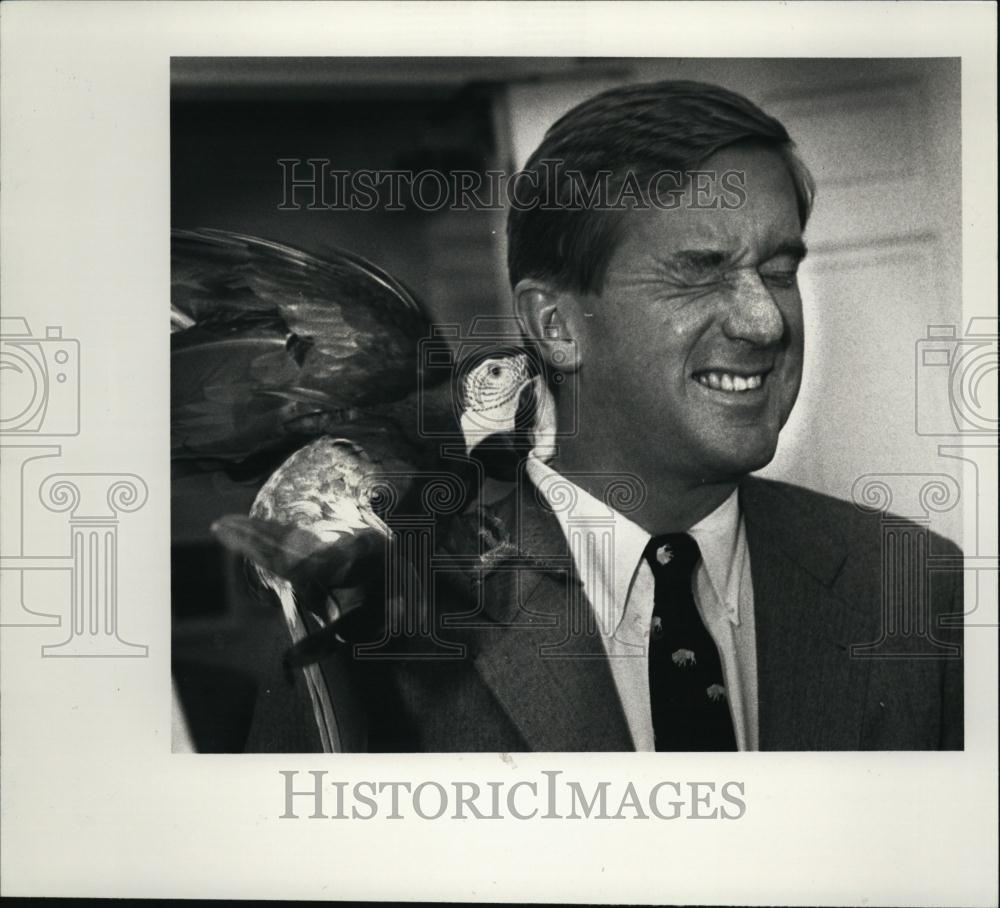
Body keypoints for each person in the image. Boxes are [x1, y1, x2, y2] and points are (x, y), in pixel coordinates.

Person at [245, 79, 963, 752]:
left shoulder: (918, 586)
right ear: (556, 326)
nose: (765, 321)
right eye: (699, 271)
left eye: (779, 271)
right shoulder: (376, 628)